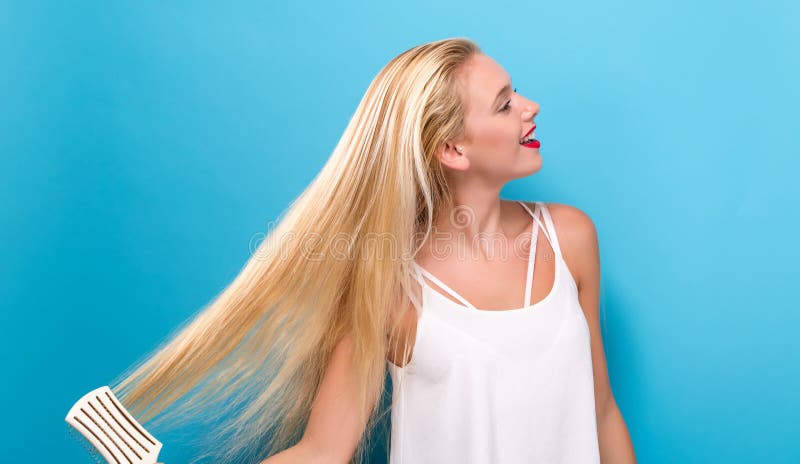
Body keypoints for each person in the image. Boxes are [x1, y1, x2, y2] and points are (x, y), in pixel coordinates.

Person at [109, 37, 636, 464]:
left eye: (514, 92)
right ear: (453, 149)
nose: (530, 107)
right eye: (505, 104)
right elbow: (322, 452)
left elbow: (602, 413)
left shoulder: (569, 237)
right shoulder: (389, 282)